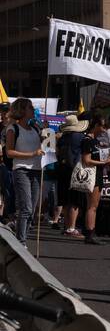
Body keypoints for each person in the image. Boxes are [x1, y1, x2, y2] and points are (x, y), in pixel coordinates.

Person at [3, 99, 44, 245]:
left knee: (31, 210)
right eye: (30, 107)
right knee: (25, 208)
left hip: (37, 170)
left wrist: (47, 137)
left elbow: (44, 148)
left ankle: (17, 229)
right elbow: (9, 152)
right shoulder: (13, 129)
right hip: (21, 170)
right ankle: (21, 242)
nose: (33, 110)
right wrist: (32, 154)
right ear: (22, 110)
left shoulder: (35, 128)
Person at [68, 115, 110, 245]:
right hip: (91, 174)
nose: (104, 129)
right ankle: (90, 233)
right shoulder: (88, 140)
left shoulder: (95, 141)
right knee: (92, 206)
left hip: (97, 173)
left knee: (94, 205)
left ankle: (90, 232)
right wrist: (103, 162)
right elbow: (86, 160)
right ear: (96, 125)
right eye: (102, 126)